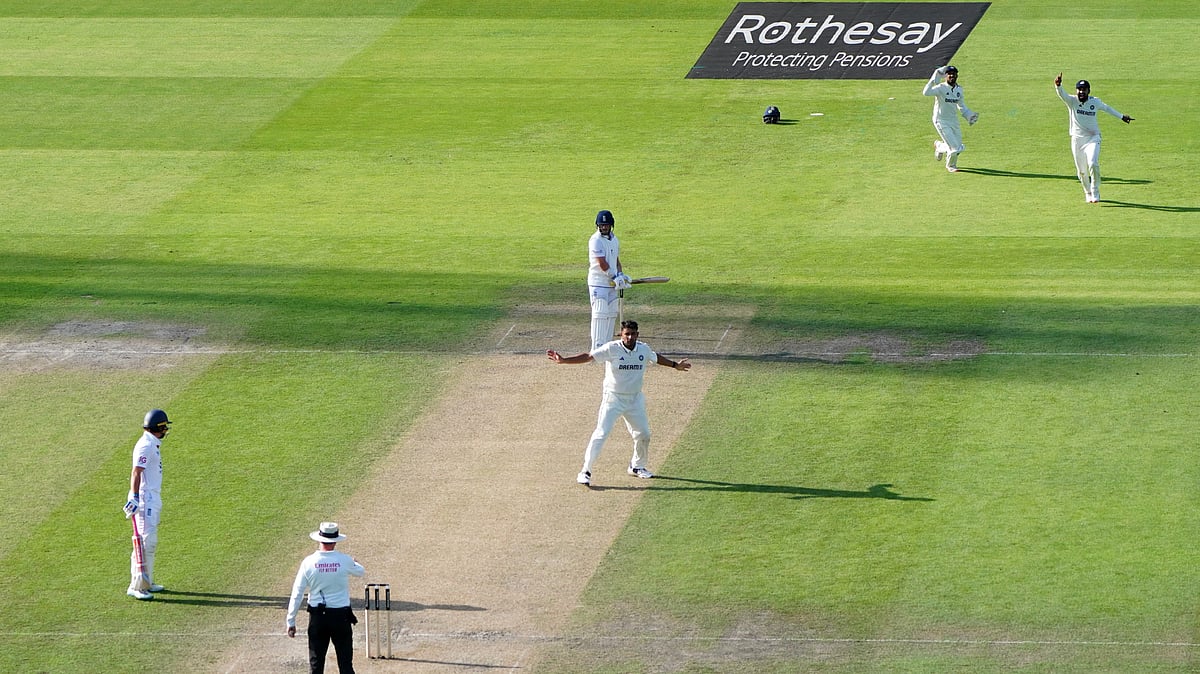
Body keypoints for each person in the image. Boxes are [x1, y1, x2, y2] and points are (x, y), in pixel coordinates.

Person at [548, 320, 691, 486]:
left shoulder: (643, 349)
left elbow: (655, 357)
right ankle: (585, 471)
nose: (629, 337)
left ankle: (637, 466)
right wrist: (564, 360)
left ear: (637, 334)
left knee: (644, 434)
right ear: (621, 335)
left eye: (632, 334)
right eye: (626, 334)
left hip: (635, 399)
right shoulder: (611, 348)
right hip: (613, 399)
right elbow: (589, 356)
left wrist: (675, 365)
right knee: (601, 433)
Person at [286, 522, 366, 674]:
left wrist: (291, 620)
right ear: (335, 541)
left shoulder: (308, 562)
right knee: (345, 665)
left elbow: (297, 592)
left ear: (319, 539)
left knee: (316, 665)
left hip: (318, 618)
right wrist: (354, 562)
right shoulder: (344, 560)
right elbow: (361, 572)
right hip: (341, 618)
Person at [1054, 73, 1134, 203]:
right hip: (1077, 140)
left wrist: (1122, 117)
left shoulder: (1095, 102)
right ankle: (1087, 192)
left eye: (1084, 90)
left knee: (1093, 163)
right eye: (1079, 89)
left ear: (1088, 91)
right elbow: (1062, 95)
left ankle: (1095, 190)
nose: (1081, 92)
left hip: (1093, 138)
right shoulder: (1072, 101)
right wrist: (1058, 86)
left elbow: (1107, 108)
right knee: (1081, 172)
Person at [123, 408, 171, 601]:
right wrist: (134, 497)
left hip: (152, 497)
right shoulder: (146, 445)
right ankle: (137, 586)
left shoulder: (152, 443)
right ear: (158, 427)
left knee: (149, 542)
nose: (166, 430)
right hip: (145, 499)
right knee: (144, 542)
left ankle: (147, 581)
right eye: (164, 426)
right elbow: (136, 472)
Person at [588, 209, 632, 350]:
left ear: (611, 225)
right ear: (597, 225)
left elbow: (616, 261)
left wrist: (621, 275)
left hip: (612, 285)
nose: (604, 227)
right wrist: (614, 277)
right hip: (598, 283)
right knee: (600, 313)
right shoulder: (595, 241)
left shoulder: (614, 240)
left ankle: (607, 347)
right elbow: (602, 263)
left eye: (606, 225)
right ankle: (596, 348)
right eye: (601, 225)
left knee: (611, 314)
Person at [922, 65, 978, 173]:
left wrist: (969, 115)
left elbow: (961, 106)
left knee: (959, 147)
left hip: (953, 121)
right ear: (946, 76)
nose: (952, 76)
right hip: (941, 120)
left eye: (954, 74)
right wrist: (933, 79)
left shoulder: (959, 90)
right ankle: (951, 166)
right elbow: (926, 93)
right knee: (954, 147)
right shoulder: (940, 88)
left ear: (957, 75)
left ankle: (939, 146)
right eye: (949, 74)